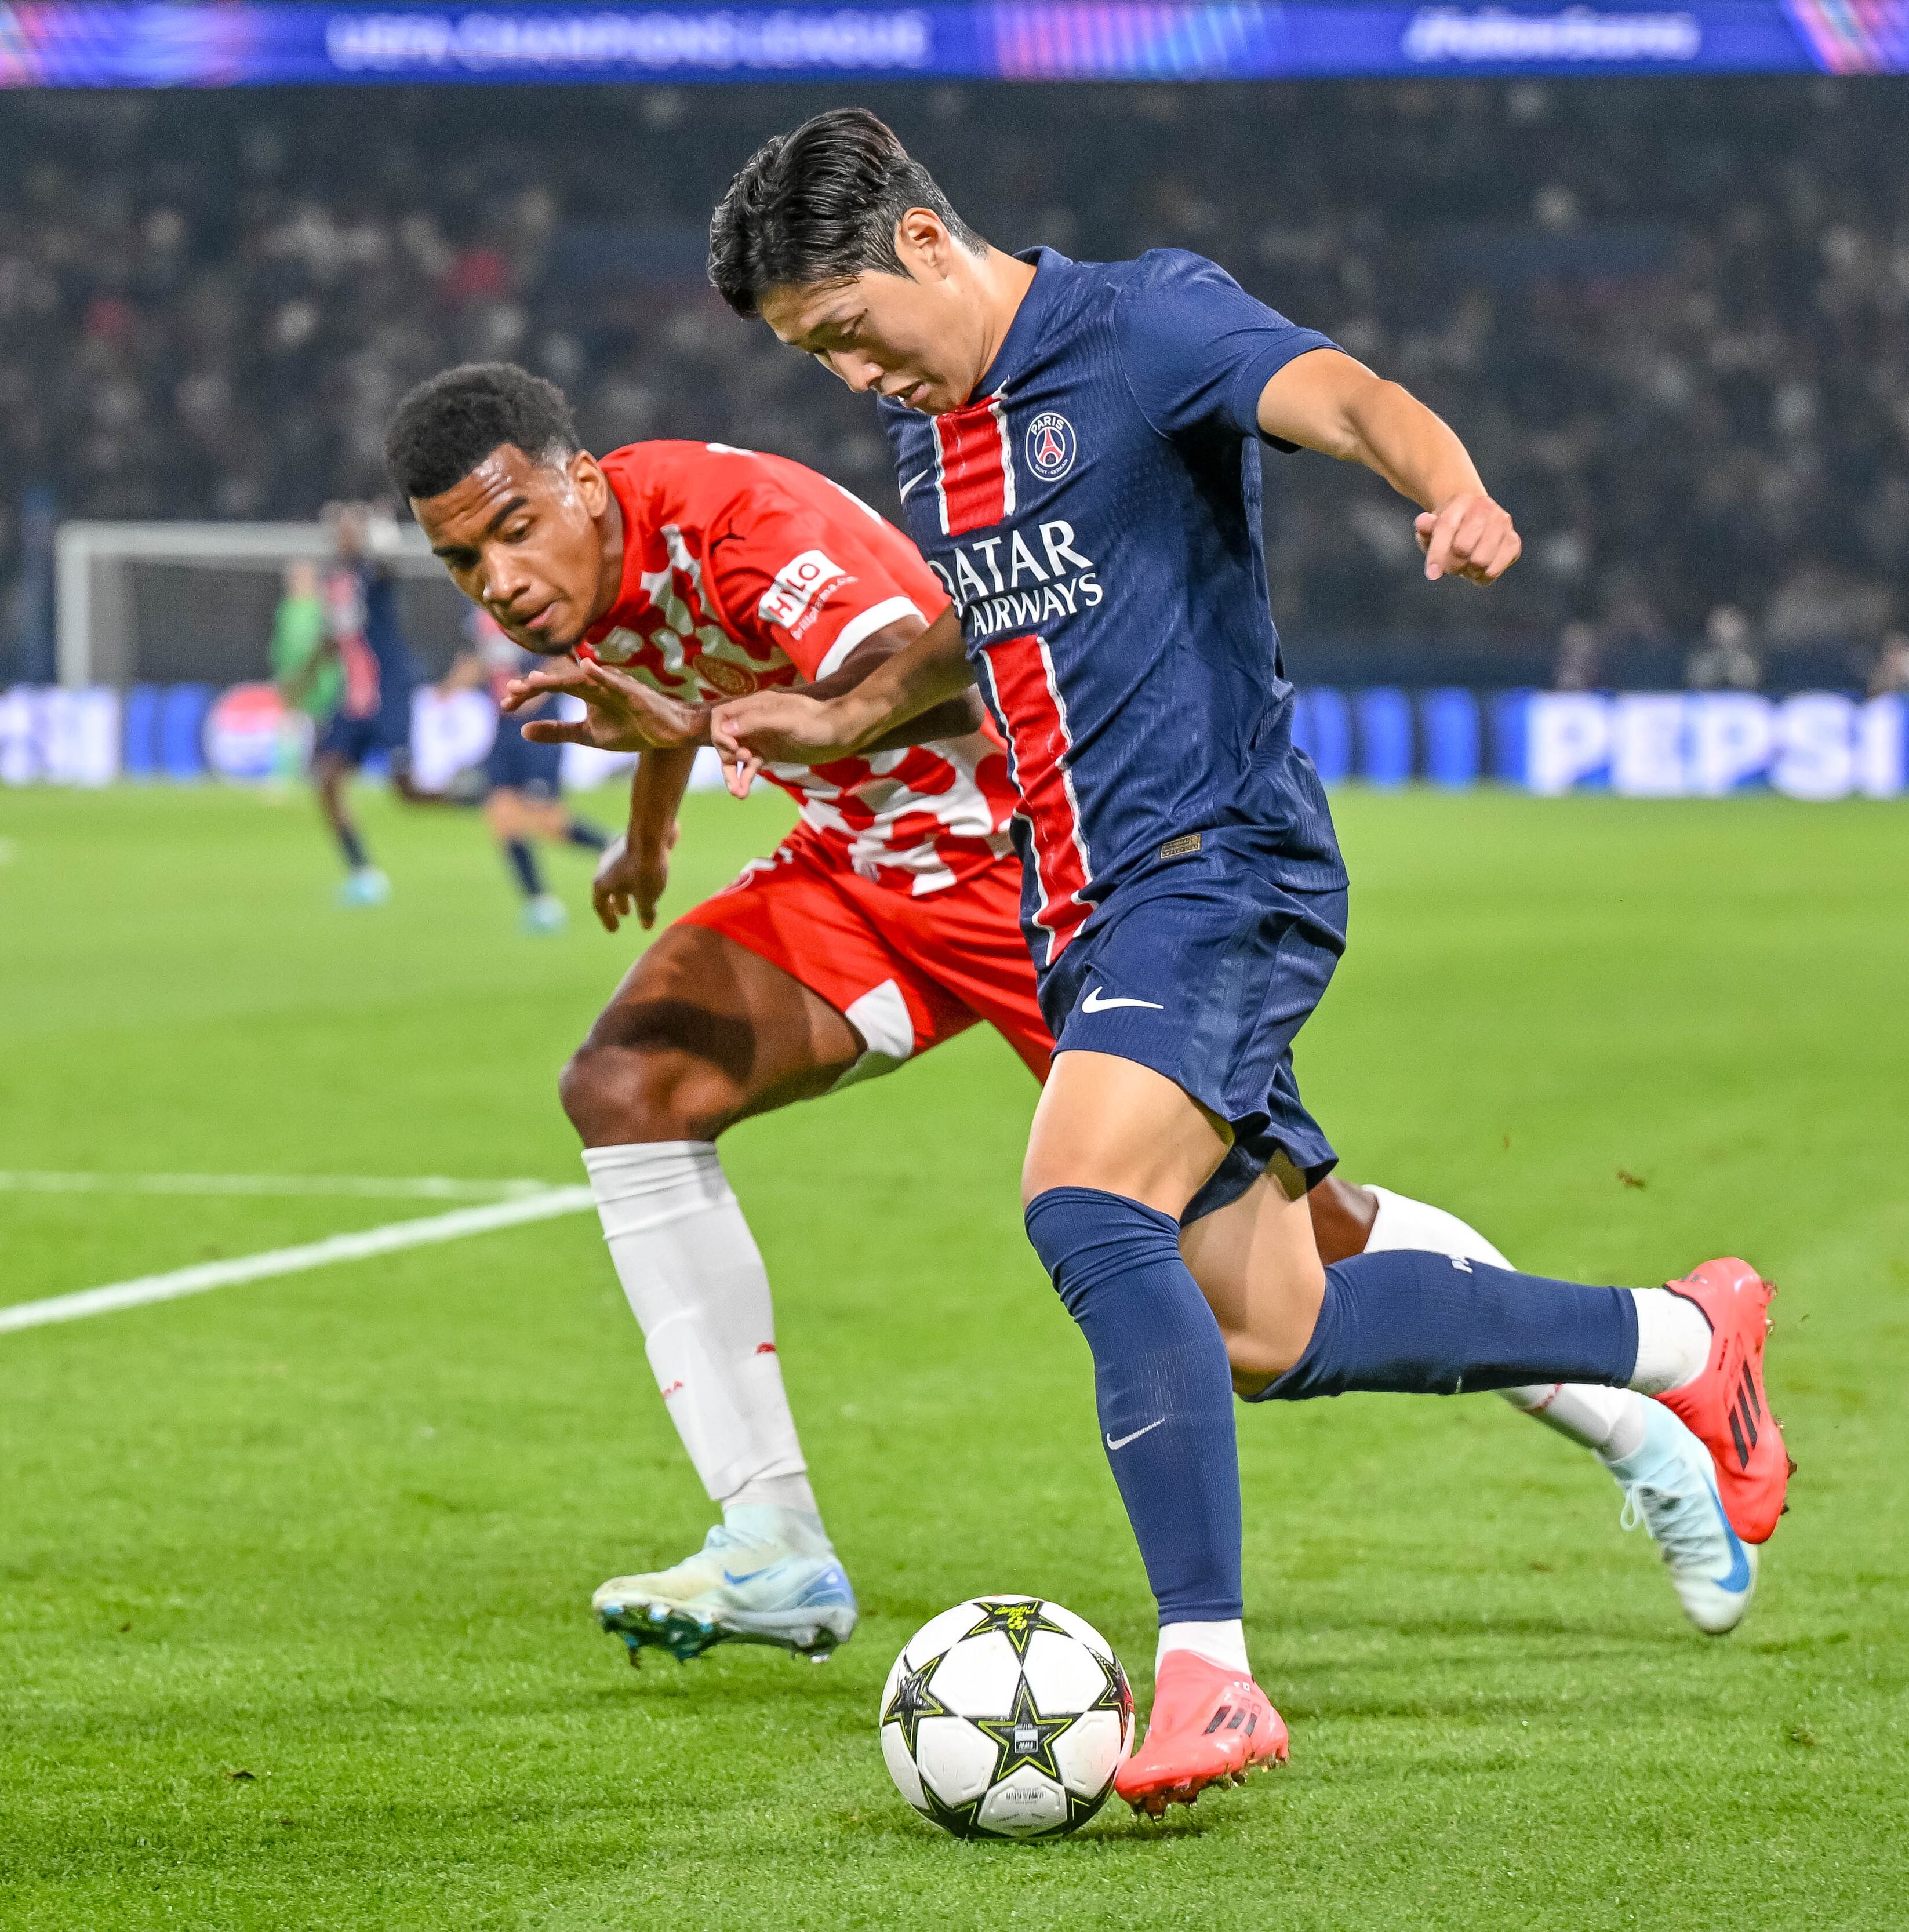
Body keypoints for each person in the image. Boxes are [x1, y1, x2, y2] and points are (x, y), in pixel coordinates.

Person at [699, 108, 1790, 1814]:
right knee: (1267, 1331)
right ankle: (1675, 1341)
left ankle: (1207, 1670)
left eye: (846, 332)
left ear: (923, 243)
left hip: (1216, 868)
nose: (849, 376)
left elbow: (1344, 395)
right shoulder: (935, 443)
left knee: (1081, 1202)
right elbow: (982, 636)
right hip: (1088, 916)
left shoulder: (1139, 328)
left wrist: (1452, 489)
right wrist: (827, 712)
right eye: (812, 358)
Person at [378, 366, 1748, 1684]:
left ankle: (1636, 1414)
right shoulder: (587, 571)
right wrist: (653, 826)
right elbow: (655, 665)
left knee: (1298, 1272)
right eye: (463, 563)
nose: (499, 580)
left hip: (1035, 878)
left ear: (582, 481)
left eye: (511, 530)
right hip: (863, 875)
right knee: (625, 1087)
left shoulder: (749, 531)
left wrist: (687, 724)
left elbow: (912, 680)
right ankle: (771, 1541)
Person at [437, 605, 613, 933]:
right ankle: (540, 903)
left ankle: (615, 848)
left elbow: (569, 655)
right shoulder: (479, 616)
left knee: (546, 819)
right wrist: (450, 688)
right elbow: (479, 661)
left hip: (541, 725)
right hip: (504, 728)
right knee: (502, 816)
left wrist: (539, 688)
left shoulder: (533, 607)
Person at [308, 502, 445, 905]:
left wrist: (382, 532)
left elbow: (389, 568)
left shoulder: (375, 573)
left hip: (388, 693)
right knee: (327, 779)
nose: (342, 533)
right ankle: (364, 874)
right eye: (340, 527)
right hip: (354, 699)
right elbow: (336, 636)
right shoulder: (333, 578)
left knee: (407, 792)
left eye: (351, 527)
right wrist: (304, 677)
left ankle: (480, 798)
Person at [268, 558, 341, 781]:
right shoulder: (285, 609)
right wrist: (282, 674)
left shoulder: (324, 609)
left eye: (302, 577)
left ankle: (320, 773)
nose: (296, 582)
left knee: (323, 729)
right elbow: (282, 645)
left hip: (321, 681)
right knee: (291, 725)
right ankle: (288, 775)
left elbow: (331, 646)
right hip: (293, 680)